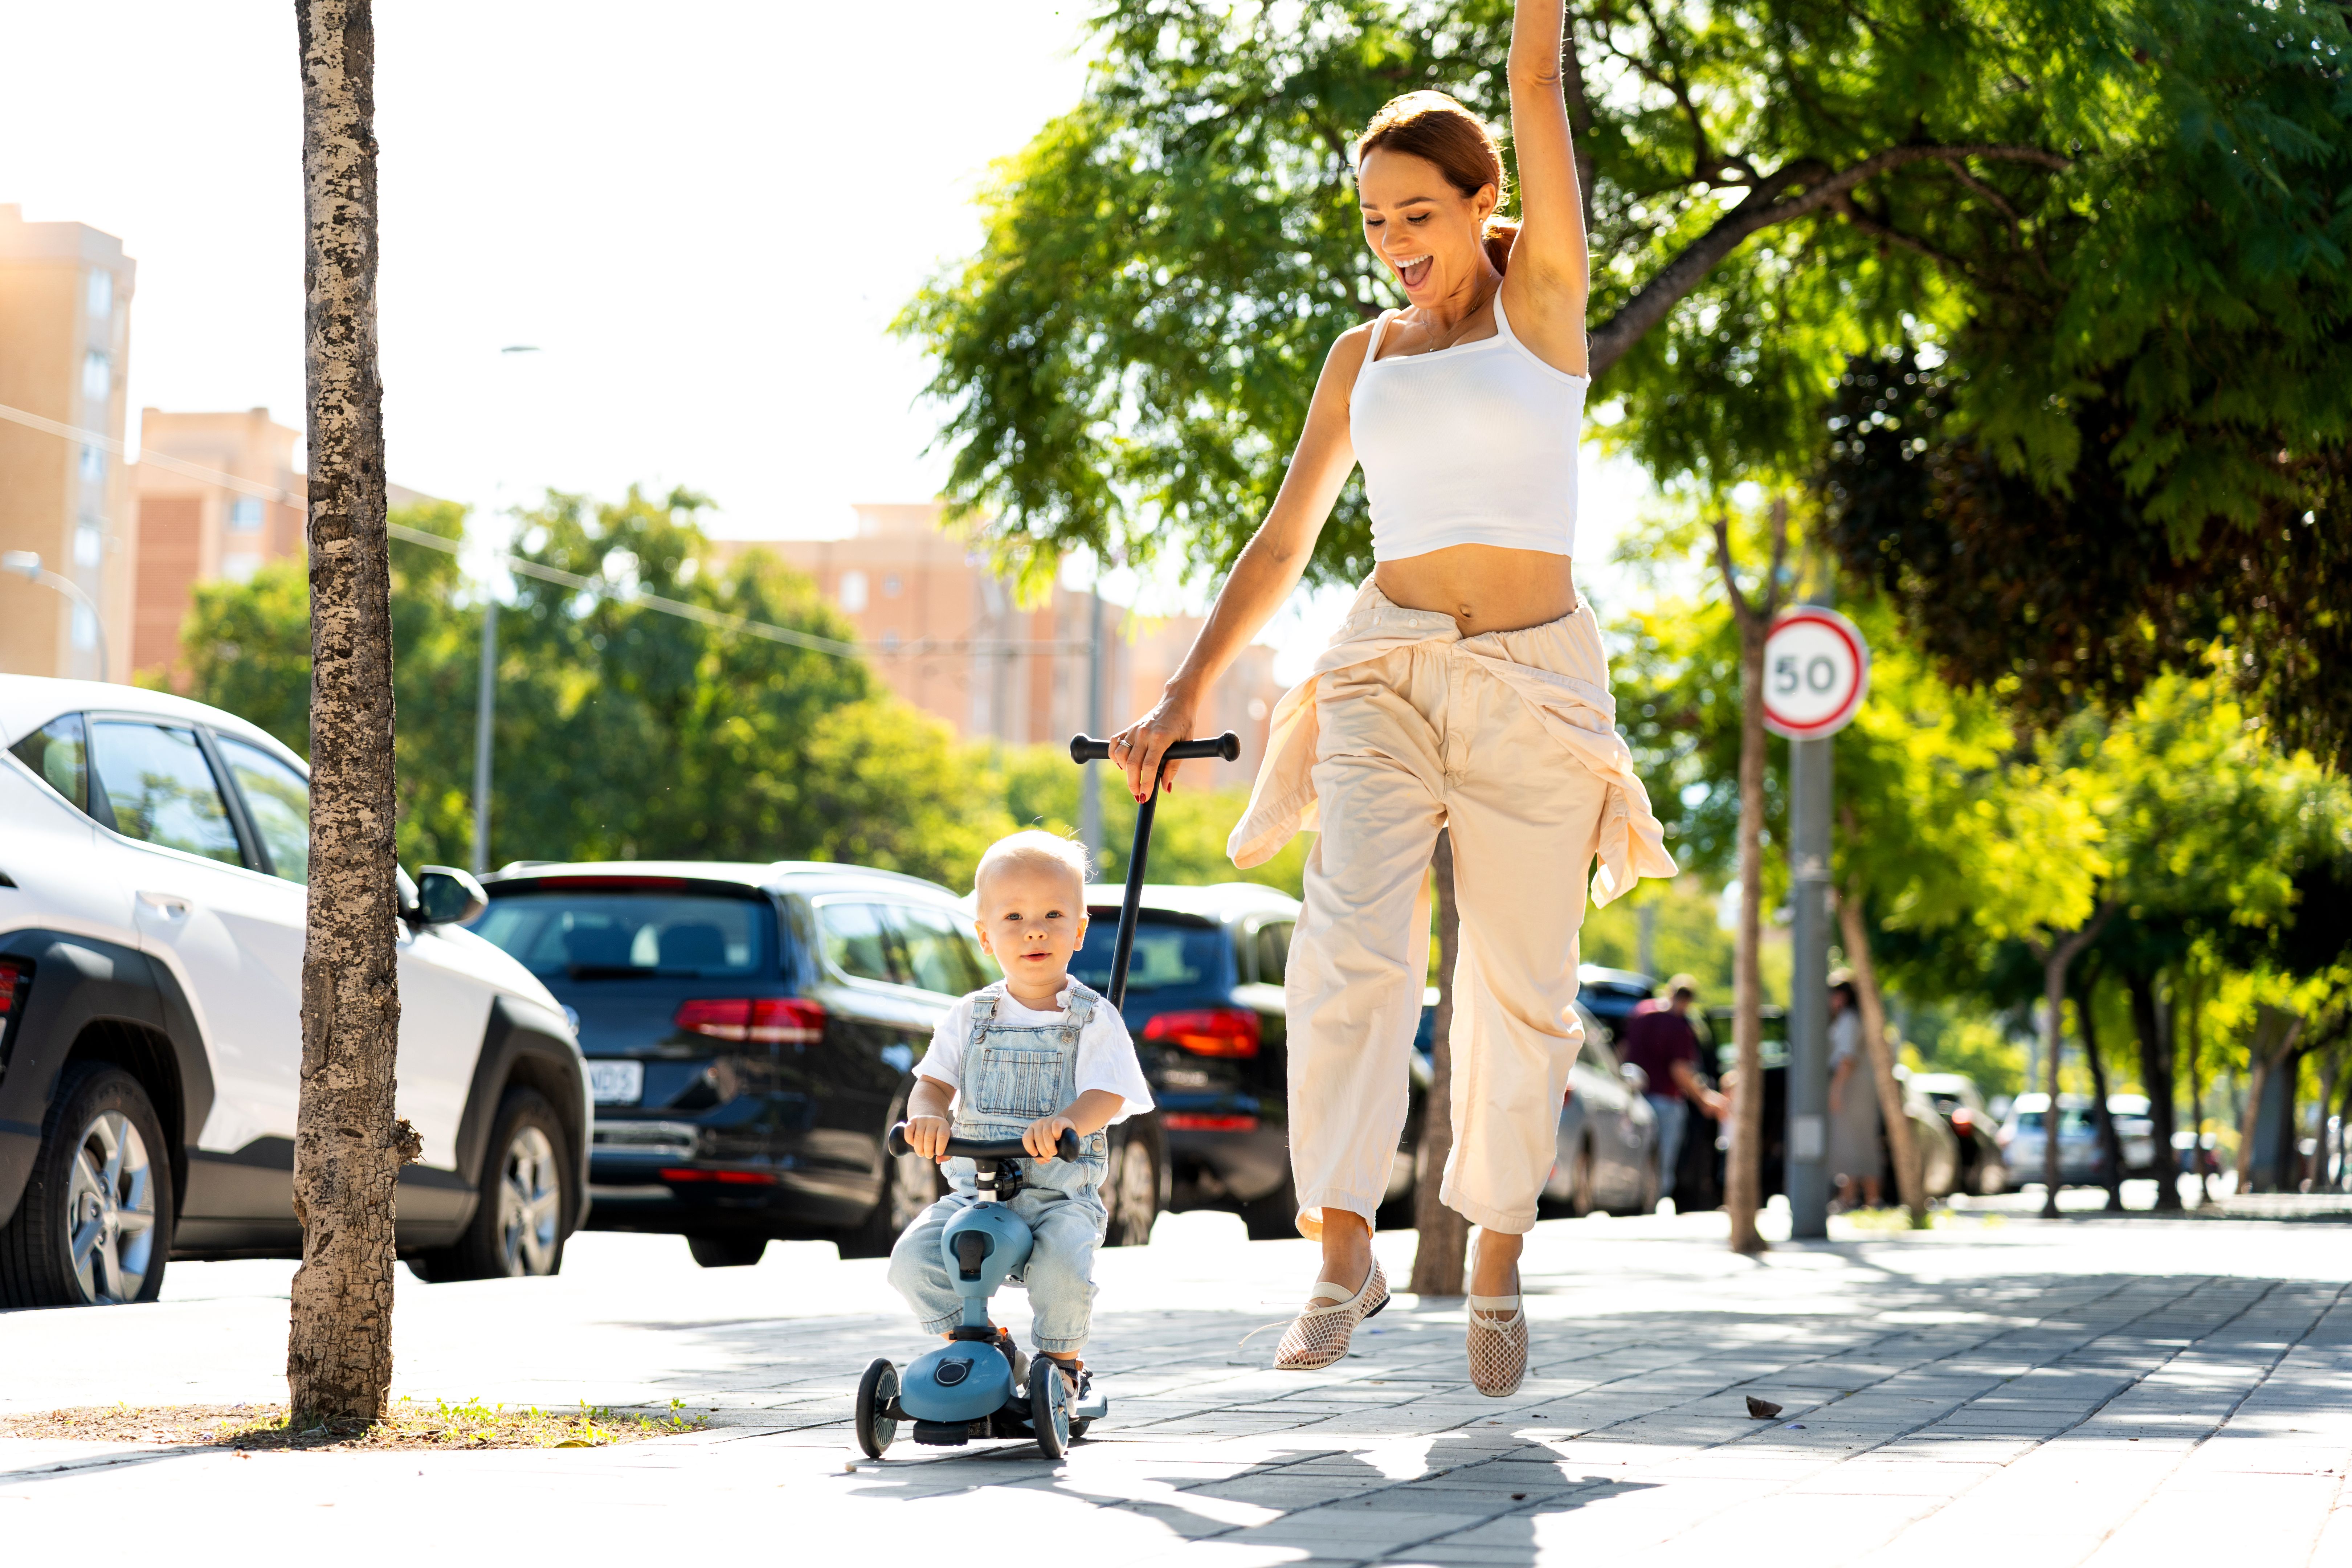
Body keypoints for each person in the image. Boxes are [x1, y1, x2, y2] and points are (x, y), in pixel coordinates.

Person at [1103, 0, 1674, 1398]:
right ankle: (1344, 1247)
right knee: (1347, 946)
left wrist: (1536, 26)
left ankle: (1494, 1250)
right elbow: (1284, 541)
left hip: (1534, 687)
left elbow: (1537, 74)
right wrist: (1181, 693)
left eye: (1418, 213)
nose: (1395, 241)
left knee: (1520, 991)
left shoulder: (1543, 305)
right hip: (1384, 667)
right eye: (1373, 222)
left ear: (1486, 202)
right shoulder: (1362, 357)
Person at [887, 831, 1155, 1397]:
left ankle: (1062, 1367)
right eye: (1014, 916)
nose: (1035, 930)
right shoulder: (969, 1016)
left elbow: (1109, 1093)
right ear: (985, 936)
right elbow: (931, 1084)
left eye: (1053, 915)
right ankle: (985, 1349)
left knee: (1064, 1272)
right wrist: (929, 1116)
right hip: (974, 1195)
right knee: (913, 1260)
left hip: (1058, 1199)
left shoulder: (1093, 1018)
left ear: (1079, 931)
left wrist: (1069, 1122)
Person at [1616, 975, 1729, 1206]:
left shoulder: (1641, 1013)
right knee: (1662, 1161)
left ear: (1670, 991)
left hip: (1635, 1097)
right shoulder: (1678, 1026)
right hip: (1665, 1102)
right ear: (1689, 1000)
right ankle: (1654, 1204)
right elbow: (1680, 1070)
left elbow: (1622, 1049)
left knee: (1636, 1154)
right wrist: (1704, 1099)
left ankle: (1631, 1202)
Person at [1825, 977, 1883, 1210]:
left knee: (1855, 1142)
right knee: (1853, 1142)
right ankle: (1851, 1197)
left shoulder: (1849, 1020)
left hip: (1852, 1089)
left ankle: (1869, 1199)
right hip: (1856, 1088)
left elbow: (1847, 1060)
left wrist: (1835, 1091)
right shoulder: (1851, 1019)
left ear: (1841, 997)